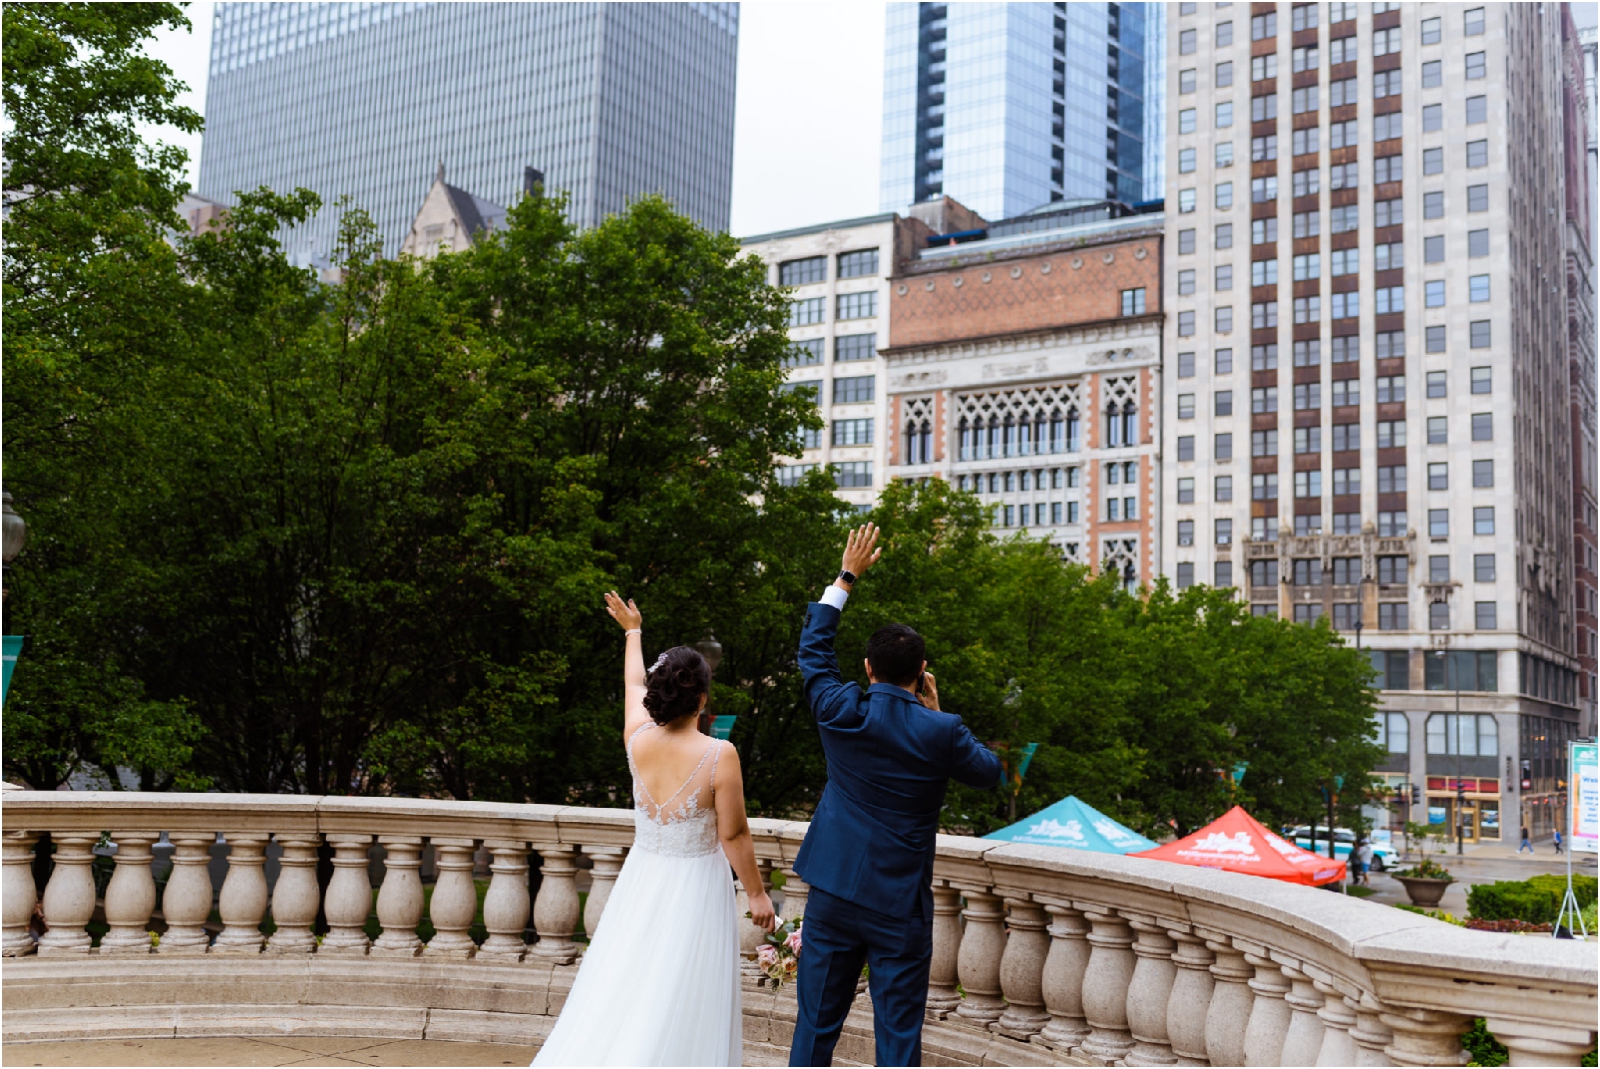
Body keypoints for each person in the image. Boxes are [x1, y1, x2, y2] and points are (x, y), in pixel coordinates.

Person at [789, 524, 1004, 1068]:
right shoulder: (942, 729)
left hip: (834, 891)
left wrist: (846, 577)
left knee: (814, 1027)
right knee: (899, 1040)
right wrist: (936, 714)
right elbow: (989, 773)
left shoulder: (840, 709)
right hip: (899, 904)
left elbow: (813, 652)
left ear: (867, 668)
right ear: (922, 674)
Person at [532, 593, 777, 1067]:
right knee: (684, 988)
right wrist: (757, 895)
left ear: (656, 694)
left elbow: (630, 681)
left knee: (626, 979)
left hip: (642, 878)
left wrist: (633, 631)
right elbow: (734, 835)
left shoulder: (636, 737)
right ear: (703, 699)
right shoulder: (718, 755)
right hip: (695, 888)